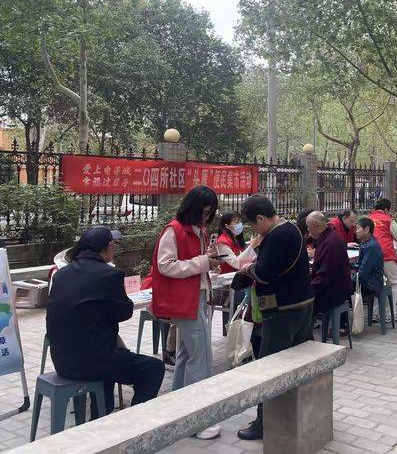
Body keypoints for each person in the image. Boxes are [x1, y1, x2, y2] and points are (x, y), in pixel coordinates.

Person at [46, 227, 165, 416]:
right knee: (154, 368)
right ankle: (134, 422)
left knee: (106, 366)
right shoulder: (110, 275)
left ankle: (99, 417)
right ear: (109, 246)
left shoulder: (61, 275)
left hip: (62, 361)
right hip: (93, 361)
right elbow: (125, 312)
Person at [236, 195, 314, 441]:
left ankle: (265, 423)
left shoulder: (277, 235)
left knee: (269, 366)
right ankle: (296, 413)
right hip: (302, 305)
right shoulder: (291, 228)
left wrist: (247, 269)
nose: (254, 230)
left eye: (253, 225)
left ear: (260, 218)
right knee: (297, 363)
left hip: (283, 311)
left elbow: (266, 272)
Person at [150, 186, 221, 439]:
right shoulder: (174, 230)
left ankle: (178, 408)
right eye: (204, 212)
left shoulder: (197, 230)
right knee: (200, 359)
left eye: (209, 213)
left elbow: (191, 264)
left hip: (196, 298)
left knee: (187, 354)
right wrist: (202, 263)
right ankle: (196, 420)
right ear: (193, 208)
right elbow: (165, 265)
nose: (206, 217)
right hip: (185, 301)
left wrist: (208, 263)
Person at [215, 211, 257, 326]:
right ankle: (230, 329)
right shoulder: (222, 242)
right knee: (234, 310)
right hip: (228, 284)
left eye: (240, 221)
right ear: (227, 226)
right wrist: (252, 246)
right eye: (236, 222)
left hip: (237, 281)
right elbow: (236, 263)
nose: (240, 225)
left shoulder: (236, 239)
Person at [369, 198, 397, 321]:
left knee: (376, 283)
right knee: (393, 283)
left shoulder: (368, 219)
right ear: (386, 209)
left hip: (371, 255)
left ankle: (375, 313)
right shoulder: (388, 220)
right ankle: (391, 314)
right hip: (386, 254)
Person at [307, 211, 353, 314]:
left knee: (299, 302)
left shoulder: (332, 242)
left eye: (309, 228)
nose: (308, 232)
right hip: (331, 286)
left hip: (334, 291)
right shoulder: (328, 237)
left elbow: (325, 276)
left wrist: (308, 289)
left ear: (314, 225)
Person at [354, 217, 384, 297]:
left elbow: (363, 273)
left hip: (371, 284)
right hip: (368, 279)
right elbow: (359, 264)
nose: (356, 231)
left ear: (367, 229)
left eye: (358, 228)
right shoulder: (364, 243)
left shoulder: (372, 246)